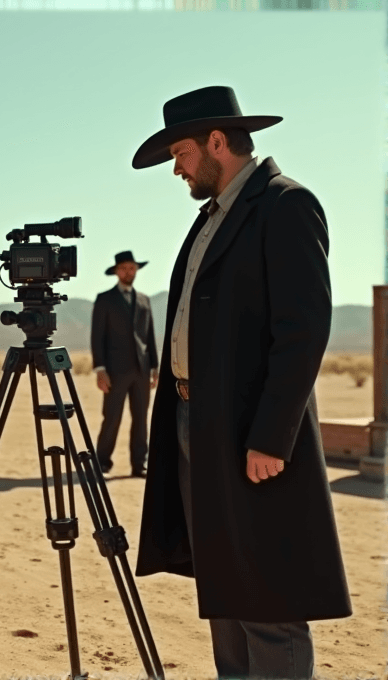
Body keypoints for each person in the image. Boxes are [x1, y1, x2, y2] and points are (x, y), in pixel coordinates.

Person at [132, 86, 352, 679]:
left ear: (217, 142)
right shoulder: (212, 216)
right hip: (193, 423)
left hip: (248, 434)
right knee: (225, 586)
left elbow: (302, 332)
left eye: (181, 153)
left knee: (268, 592)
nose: (176, 168)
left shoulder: (285, 205)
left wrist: (271, 437)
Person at [91, 251, 159, 478]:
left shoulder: (144, 300)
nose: (128, 272)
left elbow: (149, 336)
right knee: (112, 418)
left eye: (131, 268)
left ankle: (139, 464)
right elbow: (97, 336)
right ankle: (102, 463)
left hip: (141, 370)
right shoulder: (105, 299)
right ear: (116, 271)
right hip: (114, 371)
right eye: (123, 268)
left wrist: (155, 368)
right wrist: (100, 370)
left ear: (136, 270)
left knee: (140, 419)